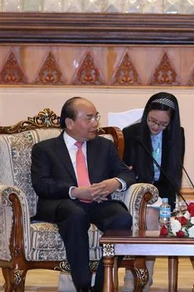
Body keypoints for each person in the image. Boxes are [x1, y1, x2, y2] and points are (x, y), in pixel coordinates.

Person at [31, 97, 136, 292]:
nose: (95, 123)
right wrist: (75, 191)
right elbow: (41, 184)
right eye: (89, 118)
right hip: (62, 203)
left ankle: (102, 286)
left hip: (98, 202)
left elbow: (127, 173)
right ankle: (83, 286)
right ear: (69, 123)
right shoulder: (44, 149)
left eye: (96, 117)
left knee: (122, 218)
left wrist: (114, 183)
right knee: (76, 214)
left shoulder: (104, 145)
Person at [121, 92, 185, 292]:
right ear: (146, 114)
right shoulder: (131, 133)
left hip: (164, 194)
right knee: (147, 216)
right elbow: (123, 170)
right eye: (152, 121)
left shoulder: (177, 135)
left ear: (171, 123)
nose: (156, 127)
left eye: (163, 124)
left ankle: (142, 278)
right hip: (136, 192)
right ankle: (135, 278)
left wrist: (164, 199)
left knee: (154, 216)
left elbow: (173, 172)